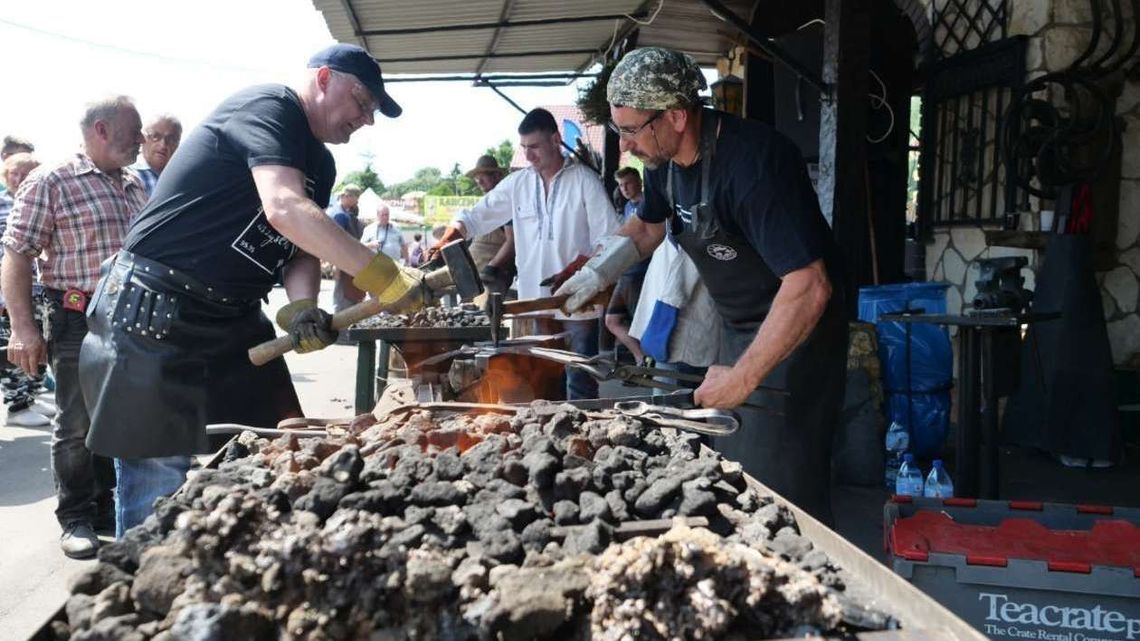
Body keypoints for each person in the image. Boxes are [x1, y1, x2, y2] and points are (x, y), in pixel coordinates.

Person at [78, 44, 432, 537]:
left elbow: (300, 244)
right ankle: (145, 585)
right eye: (361, 101)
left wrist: (303, 303)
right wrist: (385, 278)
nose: (365, 119)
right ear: (324, 79)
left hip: (231, 318)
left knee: (271, 449)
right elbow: (283, 207)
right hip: (155, 311)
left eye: (373, 111)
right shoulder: (268, 107)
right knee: (157, 476)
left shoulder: (321, 166)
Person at [556, 47, 848, 522]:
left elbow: (810, 285)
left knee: (780, 487)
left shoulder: (756, 166)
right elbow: (648, 227)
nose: (624, 146)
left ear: (674, 116)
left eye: (630, 130)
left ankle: (801, 577)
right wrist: (598, 271)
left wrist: (743, 375)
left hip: (798, 335)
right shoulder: (663, 163)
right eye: (618, 129)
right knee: (733, 465)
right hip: (737, 327)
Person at [3, 95, 148, 558]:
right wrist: (23, 330)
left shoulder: (132, 183)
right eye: (135, 131)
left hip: (128, 319)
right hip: (74, 317)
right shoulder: (52, 181)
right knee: (75, 423)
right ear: (101, 130)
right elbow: (17, 255)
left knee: (115, 418)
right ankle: (76, 516)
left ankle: (105, 506)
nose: (141, 141)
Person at [435, 108, 618, 400]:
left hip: (579, 302)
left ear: (556, 140)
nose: (528, 156)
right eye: (524, 148)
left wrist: (582, 267)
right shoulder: (519, 184)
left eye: (534, 147)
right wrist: (453, 232)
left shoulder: (584, 180)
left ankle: (586, 441)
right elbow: (476, 216)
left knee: (580, 380)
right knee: (544, 380)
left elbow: (610, 237)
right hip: (535, 302)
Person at [0, 152, 57, 428]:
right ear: (5, 176)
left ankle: (31, 397)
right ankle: (17, 405)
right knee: (13, 350)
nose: (21, 179)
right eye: (15, 173)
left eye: (29, 173)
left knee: (40, 346)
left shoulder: (43, 203)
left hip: (40, 291)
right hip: (8, 294)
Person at [604, 167, 650, 363]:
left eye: (628, 183)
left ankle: (648, 362)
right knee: (611, 320)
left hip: (640, 272)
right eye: (621, 185)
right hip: (625, 271)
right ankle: (641, 358)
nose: (625, 189)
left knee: (640, 323)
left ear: (639, 181)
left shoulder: (649, 205)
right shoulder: (627, 207)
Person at [463, 155, 515, 294]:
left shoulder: (505, 202)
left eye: (483, 176)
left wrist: (492, 267)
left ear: (497, 175)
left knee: (483, 312)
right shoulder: (486, 203)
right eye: (476, 177)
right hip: (473, 270)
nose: (479, 181)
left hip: (493, 276)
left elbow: (512, 242)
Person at [326, 184, 366, 312]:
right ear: (347, 196)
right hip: (343, 266)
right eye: (356, 197)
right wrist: (337, 266)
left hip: (345, 265)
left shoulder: (341, 212)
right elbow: (338, 244)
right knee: (343, 302)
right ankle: (342, 331)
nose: (358, 201)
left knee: (347, 299)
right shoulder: (340, 215)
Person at [132, 114, 182, 196]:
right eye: (155, 136)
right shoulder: (128, 175)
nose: (163, 145)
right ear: (143, 138)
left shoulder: (182, 180)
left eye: (171, 139)